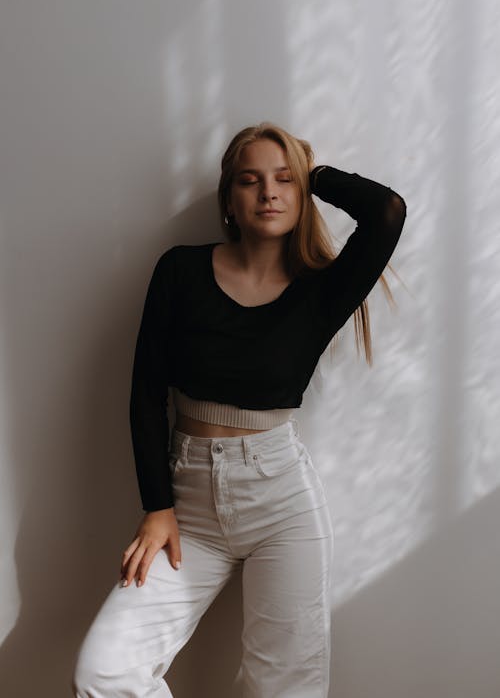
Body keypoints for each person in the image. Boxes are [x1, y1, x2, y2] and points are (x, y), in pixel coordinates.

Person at [72, 122, 406, 697]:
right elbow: (145, 391)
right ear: (230, 199)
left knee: (284, 687)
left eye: (283, 181)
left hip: (283, 507)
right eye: (250, 181)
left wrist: (313, 172)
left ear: (301, 196)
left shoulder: (321, 290)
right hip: (188, 512)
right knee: (104, 671)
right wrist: (157, 506)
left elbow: (386, 211)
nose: (269, 192)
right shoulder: (179, 270)